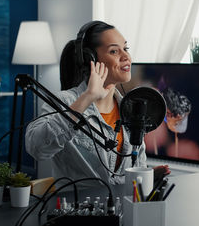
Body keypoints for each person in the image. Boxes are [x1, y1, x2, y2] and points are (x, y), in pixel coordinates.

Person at [25, 20, 169, 187]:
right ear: (90, 59)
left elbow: (134, 175)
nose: (126, 56)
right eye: (114, 51)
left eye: (126, 48)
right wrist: (88, 97)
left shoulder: (130, 109)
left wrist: (148, 176)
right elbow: (36, 148)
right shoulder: (65, 101)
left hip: (122, 211)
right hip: (76, 211)